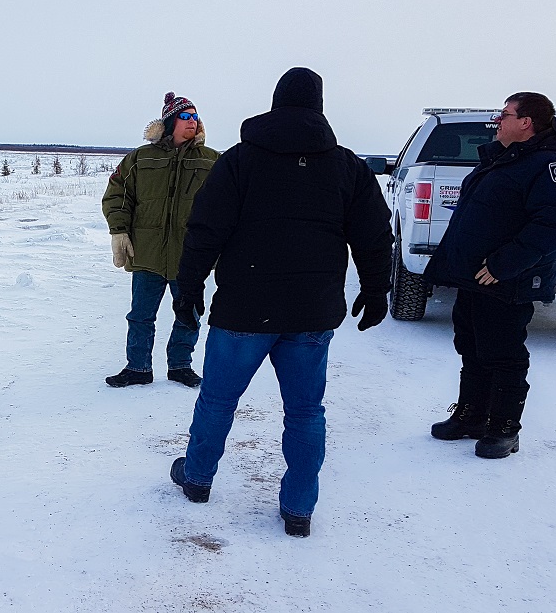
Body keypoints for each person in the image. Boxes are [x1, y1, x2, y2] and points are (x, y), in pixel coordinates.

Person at [166, 68, 393, 537]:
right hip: (310, 314)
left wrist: (189, 288)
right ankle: (298, 509)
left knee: (218, 400)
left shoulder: (240, 161)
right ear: (319, 106)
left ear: (275, 102)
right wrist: (375, 289)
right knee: (306, 412)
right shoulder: (346, 165)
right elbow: (374, 235)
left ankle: (197, 477)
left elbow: (205, 230)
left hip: (244, 309)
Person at [423, 92, 556, 459]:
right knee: (471, 345)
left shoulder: (550, 165)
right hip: (476, 276)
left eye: (504, 114)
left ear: (526, 122)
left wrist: (502, 264)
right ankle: (471, 415)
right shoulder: (505, 159)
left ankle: (504, 429)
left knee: (503, 353)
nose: (498, 121)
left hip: (507, 279)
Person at [102, 92, 220, 388]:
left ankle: (181, 365)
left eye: (195, 117)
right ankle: (138, 368)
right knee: (140, 315)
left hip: (189, 254)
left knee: (188, 314)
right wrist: (119, 231)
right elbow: (118, 194)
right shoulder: (141, 158)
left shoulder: (212, 161)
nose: (192, 122)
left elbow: (228, 205)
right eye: (185, 117)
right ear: (169, 123)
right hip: (147, 253)